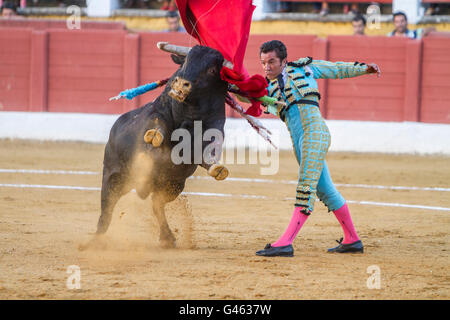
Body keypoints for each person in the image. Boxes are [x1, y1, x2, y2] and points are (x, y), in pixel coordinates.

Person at [255, 40, 381, 257]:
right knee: (325, 190)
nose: (267, 67)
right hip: (299, 142)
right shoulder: (267, 88)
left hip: (315, 133)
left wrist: (364, 69)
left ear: (284, 60)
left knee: (306, 185)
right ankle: (352, 239)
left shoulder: (305, 68)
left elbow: (336, 69)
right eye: (263, 63)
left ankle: (285, 242)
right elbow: (247, 96)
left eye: (271, 62)